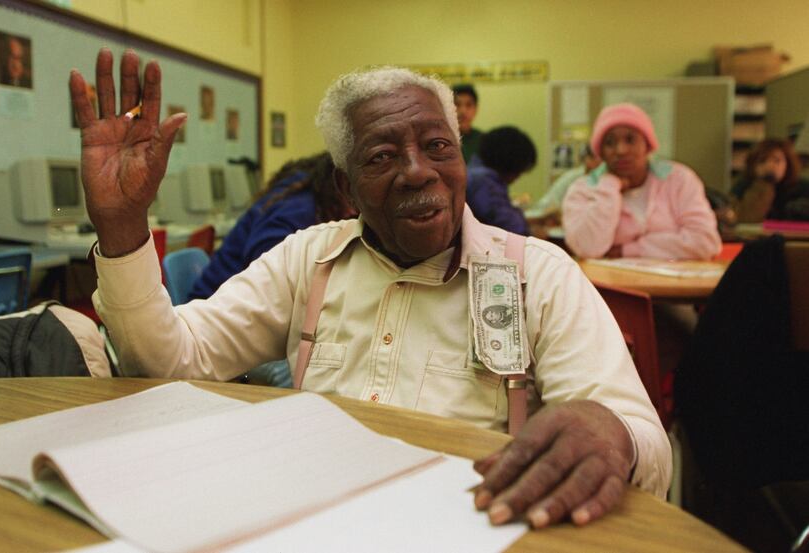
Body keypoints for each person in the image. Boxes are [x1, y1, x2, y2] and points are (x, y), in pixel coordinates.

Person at [70, 49, 670, 530]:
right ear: (348, 186)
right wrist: (123, 227)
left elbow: (651, 454)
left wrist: (612, 432)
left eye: (437, 146)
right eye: (383, 155)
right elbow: (172, 361)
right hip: (313, 527)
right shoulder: (311, 258)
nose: (417, 170)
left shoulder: (537, 275)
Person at [562, 103, 721, 259]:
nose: (621, 150)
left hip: (678, 282)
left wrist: (628, 249)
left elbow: (705, 242)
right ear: (600, 152)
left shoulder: (678, 179)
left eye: (630, 140)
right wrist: (609, 187)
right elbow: (588, 249)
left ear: (647, 145)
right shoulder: (583, 189)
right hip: (610, 284)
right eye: (609, 143)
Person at [188, 152, 353, 300]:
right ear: (341, 185)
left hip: (230, 300)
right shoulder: (297, 209)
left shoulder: (304, 195)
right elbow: (269, 277)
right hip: (216, 306)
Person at [466, 126, 536, 235]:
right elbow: (513, 228)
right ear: (510, 164)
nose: (518, 178)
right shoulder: (483, 181)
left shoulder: (474, 171)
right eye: (519, 171)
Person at [731, 138, 809, 223]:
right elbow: (745, 219)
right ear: (753, 166)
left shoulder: (803, 188)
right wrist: (764, 185)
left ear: (788, 164)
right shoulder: (743, 187)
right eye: (762, 161)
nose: (770, 166)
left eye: (777, 161)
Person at [527, 144, 601, 220]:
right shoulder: (573, 177)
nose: (598, 162)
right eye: (592, 157)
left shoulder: (608, 183)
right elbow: (547, 204)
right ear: (586, 158)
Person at [453, 84, 482, 163]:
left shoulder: (484, 141)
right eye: (457, 104)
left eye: (469, 105)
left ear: (476, 109)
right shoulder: (439, 141)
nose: (463, 111)